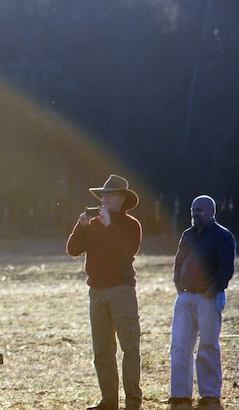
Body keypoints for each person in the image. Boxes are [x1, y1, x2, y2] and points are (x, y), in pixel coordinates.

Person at [66, 175, 143, 410]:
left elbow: (128, 250)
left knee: (129, 347)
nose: (104, 199)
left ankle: (133, 401)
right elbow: (73, 250)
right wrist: (81, 228)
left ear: (121, 199)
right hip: (97, 292)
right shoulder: (94, 222)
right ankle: (109, 401)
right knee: (102, 351)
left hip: (122, 290)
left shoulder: (131, 224)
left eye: (109, 195)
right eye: (103, 195)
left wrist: (110, 226)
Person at [167, 195, 235, 410]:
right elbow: (178, 264)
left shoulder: (222, 236)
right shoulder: (187, 235)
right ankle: (179, 395)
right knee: (179, 346)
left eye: (201, 210)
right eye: (193, 210)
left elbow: (226, 269)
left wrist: (210, 291)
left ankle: (209, 395)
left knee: (207, 345)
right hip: (185, 297)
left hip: (209, 298)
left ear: (212, 212)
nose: (196, 214)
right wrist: (180, 288)